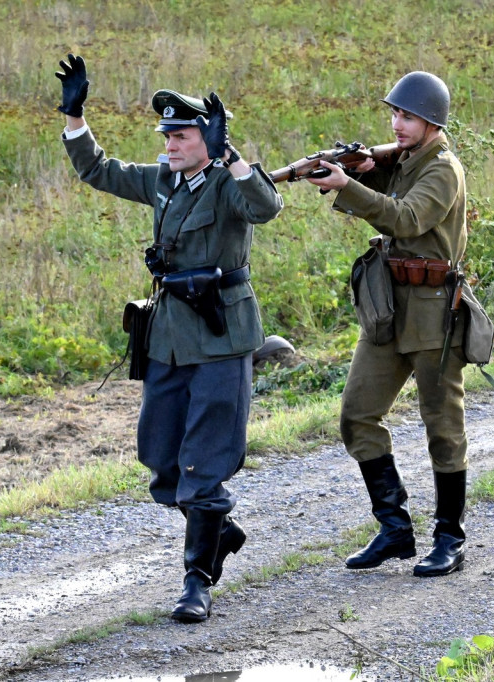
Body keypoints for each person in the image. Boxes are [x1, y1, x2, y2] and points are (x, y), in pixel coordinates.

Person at [55, 54, 283, 620]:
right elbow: (99, 171)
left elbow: (266, 207)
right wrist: (76, 117)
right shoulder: (162, 180)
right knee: (160, 459)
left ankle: (196, 582)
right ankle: (219, 532)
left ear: (207, 138)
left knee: (204, 465)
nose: (172, 143)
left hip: (222, 338)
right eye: (168, 134)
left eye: (182, 134)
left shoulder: (229, 185)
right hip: (168, 339)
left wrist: (232, 158)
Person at [305, 71, 470, 577]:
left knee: (442, 423)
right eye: (395, 114)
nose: (397, 123)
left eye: (408, 116)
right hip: (387, 307)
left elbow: (405, 219)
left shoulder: (443, 170)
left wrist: (348, 185)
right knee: (357, 414)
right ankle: (395, 528)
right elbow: (385, 189)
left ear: (431, 123)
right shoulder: (401, 159)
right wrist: (356, 167)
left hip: (433, 310)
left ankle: (449, 537)